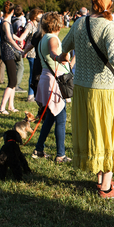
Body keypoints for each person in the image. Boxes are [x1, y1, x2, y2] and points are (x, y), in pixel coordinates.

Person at [60, 0, 114, 199]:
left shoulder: (79, 22)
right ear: (108, 2)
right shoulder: (109, 26)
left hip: (82, 89)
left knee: (94, 132)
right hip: (104, 90)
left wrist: (62, 58)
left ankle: (101, 179)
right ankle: (106, 188)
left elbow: (64, 47)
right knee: (109, 134)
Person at [33, 12, 73, 163]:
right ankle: (61, 155)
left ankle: (38, 149)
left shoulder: (43, 38)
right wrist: (60, 57)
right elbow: (53, 53)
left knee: (50, 117)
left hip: (48, 79)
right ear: (59, 24)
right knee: (61, 118)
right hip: (54, 82)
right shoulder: (52, 38)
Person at [0, 1, 25, 115]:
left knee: (12, 81)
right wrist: (19, 49)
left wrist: (19, 39)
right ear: (12, 11)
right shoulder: (5, 23)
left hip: (8, 52)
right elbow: (9, 38)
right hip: (8, 53)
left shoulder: (6, 22)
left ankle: (11, 106)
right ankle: (2, 108)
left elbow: (11, 35)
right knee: (12, 82)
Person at [22, 8, 44, 102]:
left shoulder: (39, 25)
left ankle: (35, 94)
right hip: (32, 53)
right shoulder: (30, 24)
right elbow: (24, 36)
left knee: (37, 75)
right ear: (35, 16)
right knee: (33, 74)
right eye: (40, 14)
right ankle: (30, 95)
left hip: (36, 52)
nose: (41, 16)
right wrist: (24, 51)